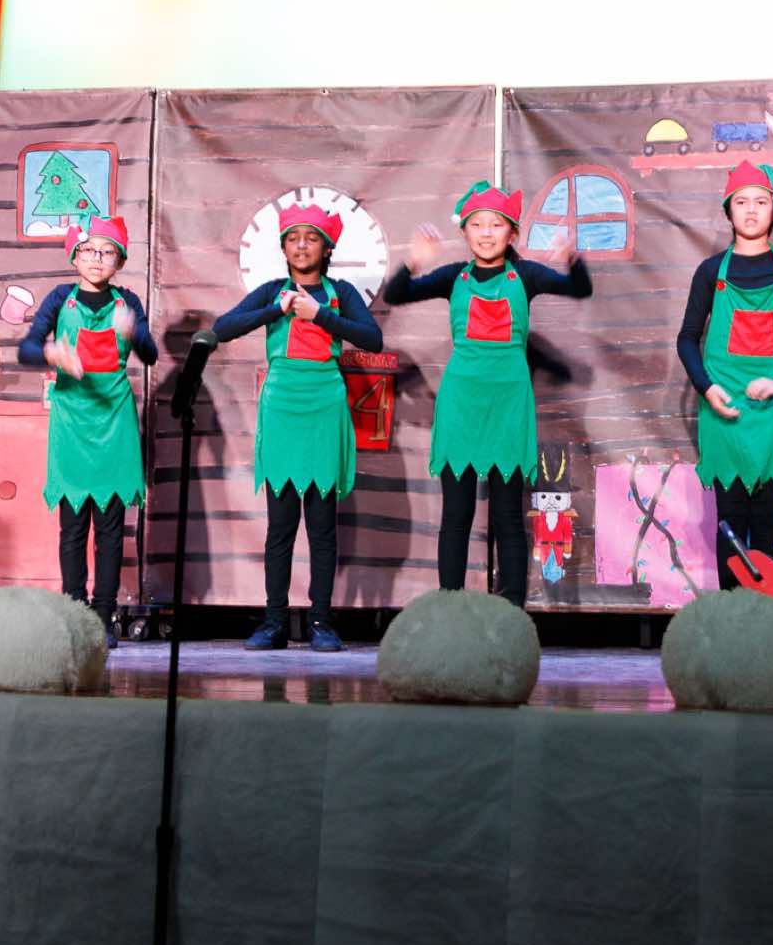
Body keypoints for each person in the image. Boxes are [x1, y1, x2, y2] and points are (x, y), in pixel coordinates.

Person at [383, 182, 592, 607]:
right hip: (461, 404)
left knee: (508, 517)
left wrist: (572, 259)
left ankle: (511, 612)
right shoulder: (453, 277)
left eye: (496, 225)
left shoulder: (526, 276)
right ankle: (451, 609)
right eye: (476, 225)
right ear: (464, 233)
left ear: (511, 233)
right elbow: (396, 294)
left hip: (508, 406)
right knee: (456, 516)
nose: (485, 233)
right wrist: (412, 262)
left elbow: (579, 289)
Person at [213, 203, 383, 652]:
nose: (302, 246)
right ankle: (274, 622)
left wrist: (319, 314)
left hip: (324, 404)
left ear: (326, 248)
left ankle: (321, 621)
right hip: (283, 407)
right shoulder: (273, 290)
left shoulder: (341, 292)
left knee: (322, 526)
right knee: (281, 524)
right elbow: (223, 327)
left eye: (311, 238)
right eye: (293, 238)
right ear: (283, 247)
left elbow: (373, 338)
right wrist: (276, 310)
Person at [675, 160, 773, 590]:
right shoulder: (711, 272)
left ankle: (764, 611)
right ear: (728, 210)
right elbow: (686, 339)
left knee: (765, 521)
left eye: (761, 202)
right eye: (741, 202)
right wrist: (707, 388)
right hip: (725, 412)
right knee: (729, 521)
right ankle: (731, 612)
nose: (751, 210)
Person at [18, 215, 157, 649]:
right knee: (73, 526)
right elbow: (26, 348)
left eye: (107, 252)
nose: (97, 258)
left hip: (113, 420)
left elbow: (151, 354)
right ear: (74, 256)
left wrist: (133, 333)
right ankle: (74, 613)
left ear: (120, 261)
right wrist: (51, 352)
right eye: (89, 250)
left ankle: (102, 616)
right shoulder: (60, 298)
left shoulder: (127, 301)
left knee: (111, 528)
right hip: (73, 421)